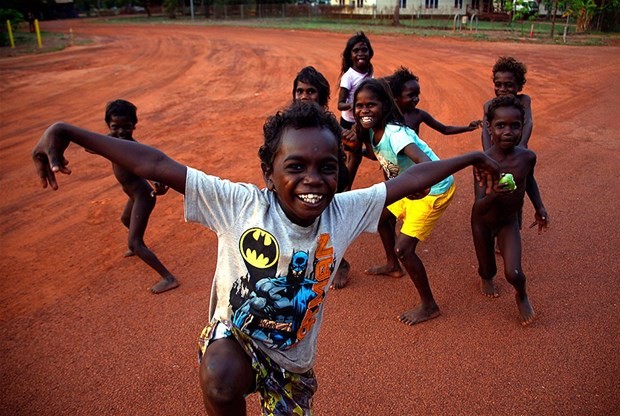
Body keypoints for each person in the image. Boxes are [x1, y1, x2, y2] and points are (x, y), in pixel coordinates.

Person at [33, 101, 498, 415]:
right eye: (295, 166)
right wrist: (68, 131)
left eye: (327, 167)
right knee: (219, 376)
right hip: (236, 335)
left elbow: (410, 181)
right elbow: (156, 164)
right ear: (268, 173)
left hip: (294, 360)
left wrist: (471, 155)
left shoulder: (346, 211)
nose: (313, 179)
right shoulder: (239, 205)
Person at [353, 78, 457, 326]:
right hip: (409, 186)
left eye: (371, 105)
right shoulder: (370, 130)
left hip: (433, 188)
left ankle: (429, 306)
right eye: (359, 106)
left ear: (385, 105)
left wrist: (419, 188)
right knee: (380, 217)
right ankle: (392, 265)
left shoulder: (396, 133)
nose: (364, 110)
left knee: (405, 249)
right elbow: (379, 154)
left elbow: (427, 164)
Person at [471, 95, 549, 326]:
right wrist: (495, 193)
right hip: (482, 221)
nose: (508, 132)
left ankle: (522, 295)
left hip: (508, 221)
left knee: (514, 273)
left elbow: (529, 180)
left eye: (515, 126)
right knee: (487, 269)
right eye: (500, 126)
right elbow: (478, 205)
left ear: (522, 127)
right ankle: (485, 277)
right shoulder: (483, 161)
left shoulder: (527, 157)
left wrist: (540, 207)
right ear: (489, 127)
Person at [101, 99, 179, 293]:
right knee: (125, 219)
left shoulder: (131, 148)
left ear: (134, 126)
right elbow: (90, 146)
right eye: (115, 127)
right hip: (134, 195)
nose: (121, 132)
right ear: (108, 126)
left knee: (134, 243)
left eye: (126, 127)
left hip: (143, 195)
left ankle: (169, 278)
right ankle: (138, 244)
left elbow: (147, 168)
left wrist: (158, 183)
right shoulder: (110, 141)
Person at [292, 66, 352, 289]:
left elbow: (341, 160)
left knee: (325, 225)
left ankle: (341, 263)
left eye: (310, 91)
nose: (304, 96)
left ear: (322, 96)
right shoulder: (290, 123)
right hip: (300, 184)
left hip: (326, 184)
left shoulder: (330, 125)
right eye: (300, 91)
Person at [385, 66, 482, 136]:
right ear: (396, 97)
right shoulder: (386, 115)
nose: (416, 99)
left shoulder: (419, 115)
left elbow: (445, 129)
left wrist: (468, 128)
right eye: (411, 95)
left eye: (417, 94)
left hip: (412, 163)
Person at [337, 32, 375, 188]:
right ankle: (345, 189)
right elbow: (340, 104)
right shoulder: (349, 76)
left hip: (365, 121)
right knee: (353, 158)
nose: (361, 54)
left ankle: (345, 188)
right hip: (349, 122)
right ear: (350, 55)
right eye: (356, 50)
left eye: (364, 50)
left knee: (371, 154)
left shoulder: (369, 73)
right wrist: (355, 106)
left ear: (370, 53)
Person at [481, 56, 532, 150]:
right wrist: (487, 155)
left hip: (517, 150)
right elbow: (485, 132)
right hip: (497, 151)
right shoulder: (489, 106)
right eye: (498, 85)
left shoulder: (524, 101)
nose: (502, 89)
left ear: (519, 87)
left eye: (509, 85)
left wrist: (522, 145)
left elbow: (528, 123)